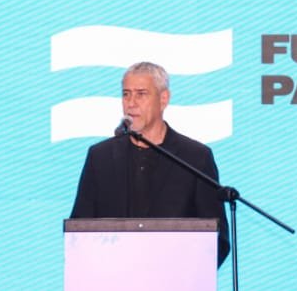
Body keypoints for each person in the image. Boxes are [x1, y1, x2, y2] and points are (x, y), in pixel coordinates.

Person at [70, 62, 229, 266]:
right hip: (111, 279)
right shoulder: (100, 157)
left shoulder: (195, 158)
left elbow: (217, 238)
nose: (131, 103)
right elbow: (79, 230)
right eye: (126, 94)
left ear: (163, 99)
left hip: (175, 280)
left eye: (141, 94)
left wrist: (187, 274)